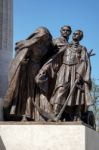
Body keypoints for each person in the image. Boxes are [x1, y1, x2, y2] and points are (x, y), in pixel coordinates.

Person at [3, 27, 54, 121]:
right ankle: (25, 114)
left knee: (38, 92)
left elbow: (52, 56)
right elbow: (20, 55)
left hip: (40, 69)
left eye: (47, 35)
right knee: (28, 92)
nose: (45, 37)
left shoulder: (47, 46)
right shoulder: (31, 44)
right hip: (29, 68)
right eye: (43, 35)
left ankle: (37, 114)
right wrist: (22, 62)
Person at [50, 30, 92, 121]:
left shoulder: (82, 48)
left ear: (80, 37)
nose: (74, 35)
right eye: (74, 33)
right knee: (60, 89)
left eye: (77, 34)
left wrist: (79, 74)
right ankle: (55, 113)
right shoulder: (66, 45)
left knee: (76, 93)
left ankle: (77, 115)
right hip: (64, 69)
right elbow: (56, 55)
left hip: (76, 70)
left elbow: (84, 61)